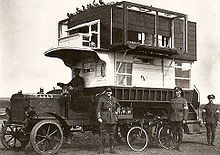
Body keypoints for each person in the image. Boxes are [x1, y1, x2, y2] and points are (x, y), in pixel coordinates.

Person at [96, 87, 121, 154]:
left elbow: (118, 106)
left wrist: (116, 112)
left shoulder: (114, 99)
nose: (109, 93)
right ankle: (102, 149)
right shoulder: (102, 99)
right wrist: (99, 117)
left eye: (110, 91)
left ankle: (111, 148)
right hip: (105, 118)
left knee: (112, 135)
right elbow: (98, 109)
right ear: (105, 92)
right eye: (107, 91)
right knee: (104, 135)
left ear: (111, 92)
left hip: (113, 118)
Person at [169, 87, 188, 151]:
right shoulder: (172, 100)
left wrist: (184, 119)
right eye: (175, 91)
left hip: (180, 119)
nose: (176, 92)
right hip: (173, 118)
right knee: (174, 132)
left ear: (180, 92)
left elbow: (186, 111)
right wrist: (169, 117)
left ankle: (179, 146)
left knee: (180, 133)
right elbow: (170, 110)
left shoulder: (183, 100)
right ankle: (174, 145)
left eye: (177, 91)